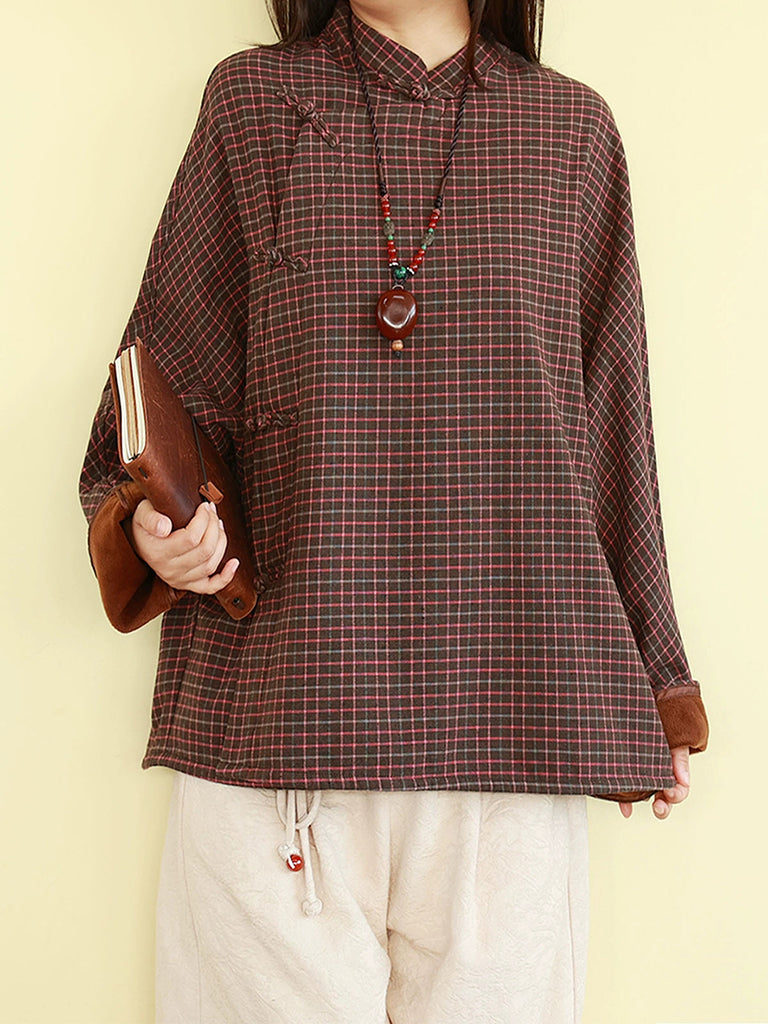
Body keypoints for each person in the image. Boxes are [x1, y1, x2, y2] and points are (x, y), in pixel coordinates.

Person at [80, 0, 710, 1020]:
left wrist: (657, 680)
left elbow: (610, 428)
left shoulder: (571, 130)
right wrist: (152, 532)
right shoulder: (253, 103)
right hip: (278, 734)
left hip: (513, 733)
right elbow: (165, 384)